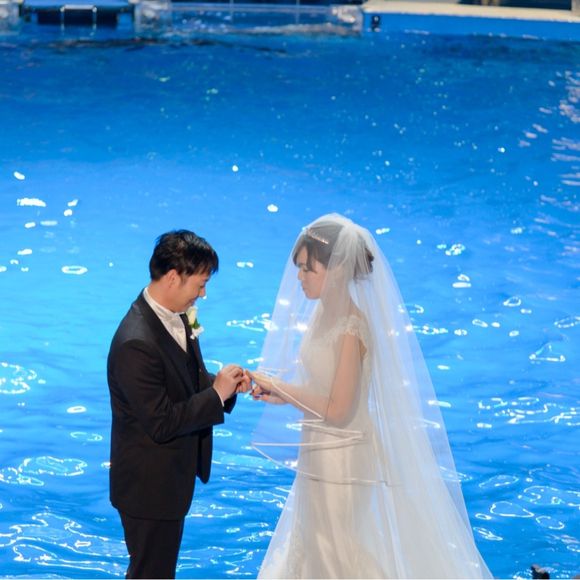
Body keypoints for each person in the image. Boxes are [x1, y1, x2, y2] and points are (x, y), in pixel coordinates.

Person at [250, 214, 492, 579]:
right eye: (299, 268)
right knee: (316, 543)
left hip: (343, 455)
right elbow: (322, 388)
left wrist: (281, 385)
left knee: (334, 549)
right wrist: (280, 395)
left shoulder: (351, 327)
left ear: (336, 269)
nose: (299, 277)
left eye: (307, 269)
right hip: (319, 447)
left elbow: (339, 409)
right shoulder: (322, 314)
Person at [107, 229, 251, 579]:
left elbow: (188, 377)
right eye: (200, 284)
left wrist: (228, 387)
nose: (203, 294)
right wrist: (215, 395)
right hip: (148, 489)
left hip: (169, 482)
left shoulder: (178, 314)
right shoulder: (135, 344)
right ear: (173, 277)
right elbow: (162, 423)